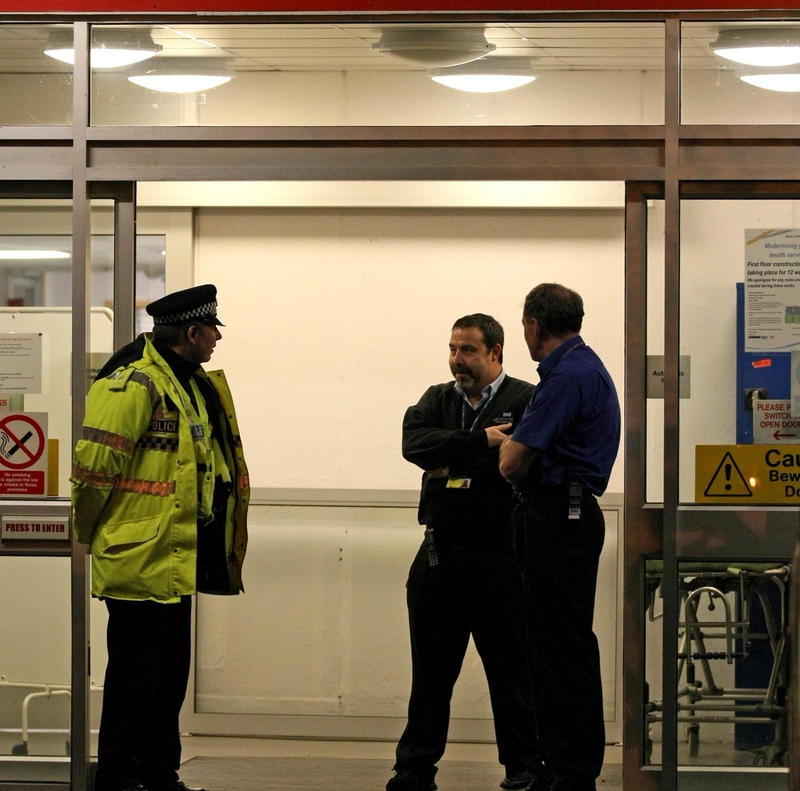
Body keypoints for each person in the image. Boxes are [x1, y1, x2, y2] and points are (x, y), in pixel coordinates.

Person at [71, 284, 249, 791]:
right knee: (134, 679)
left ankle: (159, 772)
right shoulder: (132, 384)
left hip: (177, 557)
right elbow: (92, 472)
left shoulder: (189, 384)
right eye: (212, 329)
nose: (216, 338)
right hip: (137, 557)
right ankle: (119, 777)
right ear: (191, 332)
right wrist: (90, 537)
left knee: (168, 679)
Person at [387, 313, 540, 791]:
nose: (457, 360)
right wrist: (482, 442)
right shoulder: (436, 399)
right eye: (453, 349)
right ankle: (414, 770)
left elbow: (518, 461)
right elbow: (415, 444)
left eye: (468, 350)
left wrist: (451, 458)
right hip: (440, 555)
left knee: (512, 674)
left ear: (495, 352)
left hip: (501, 560)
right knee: (431, 675)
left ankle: (524, 769)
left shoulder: (526, 398)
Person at [498, 284, 620, 791]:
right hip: (572, 515)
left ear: (532, 326)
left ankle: (567, 770)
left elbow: (509, 465)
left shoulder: (563, 378)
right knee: (565, 646)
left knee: (556, 651)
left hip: (557, 520)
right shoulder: (588, 367)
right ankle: (569, 765)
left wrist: (509, 442)